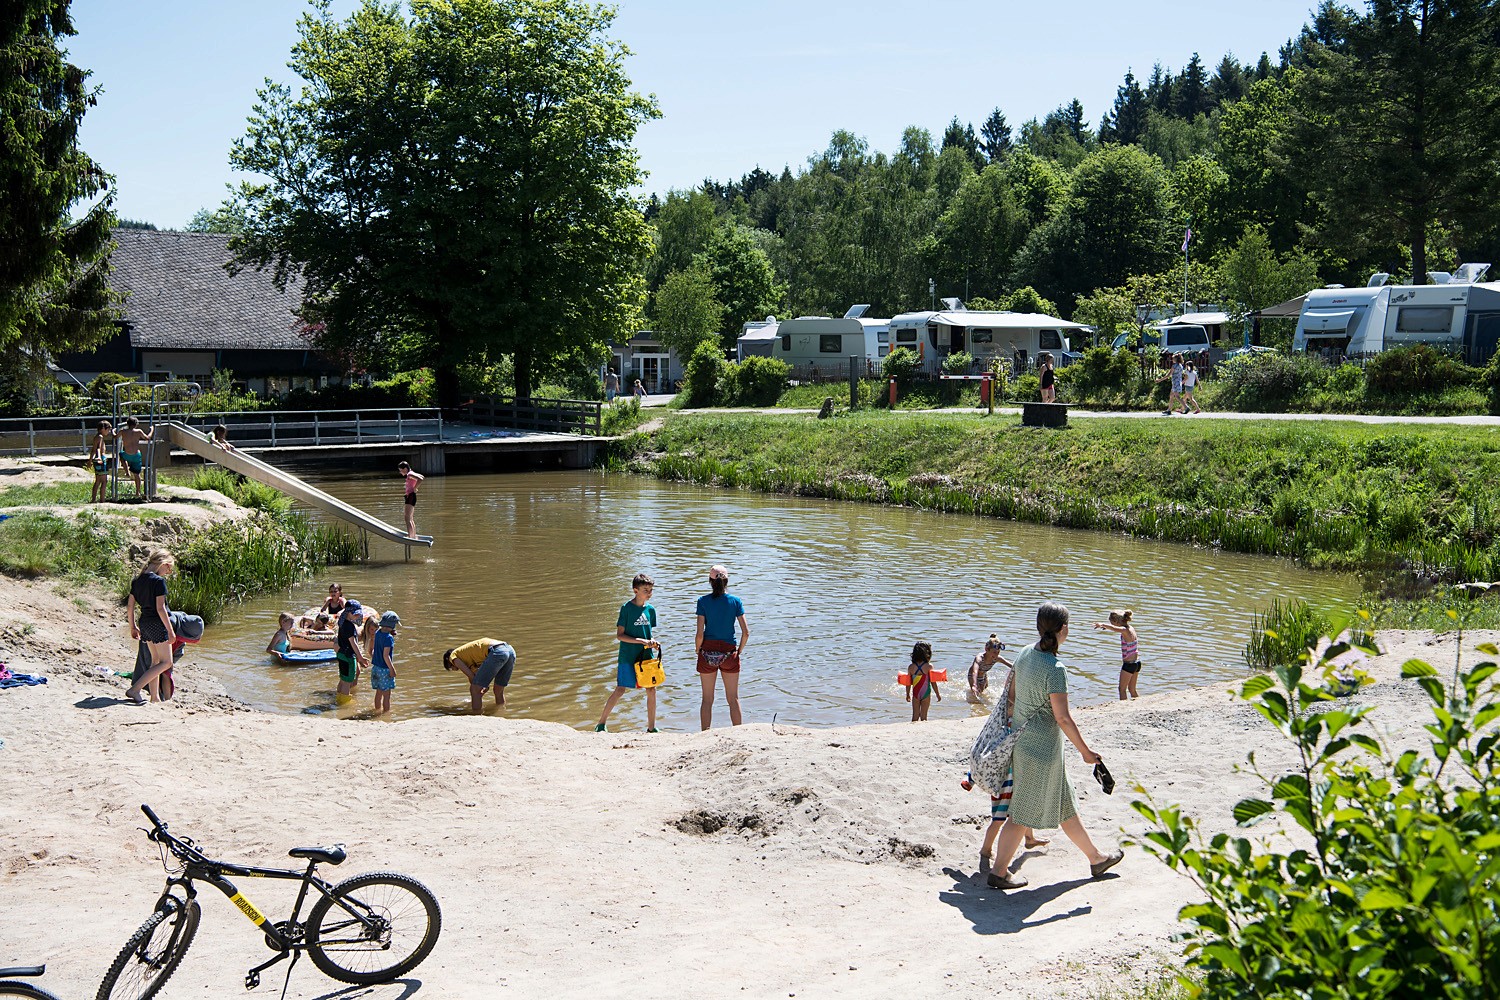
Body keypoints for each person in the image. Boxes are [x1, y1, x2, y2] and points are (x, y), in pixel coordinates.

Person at [986, 602, 1124, 890]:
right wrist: (1086, 752)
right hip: (1043, 750)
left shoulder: (1024, 653)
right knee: (1022, 813)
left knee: (1066, 805)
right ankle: (999, 872)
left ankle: (1096, 858)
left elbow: (1011, 695)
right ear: (1063, 629)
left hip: (1025, 742)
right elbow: (1062, 717)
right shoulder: (1055, 668)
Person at [595, 572, 659, 733]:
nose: (649, 593)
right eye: (646, 590)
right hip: (628, 656)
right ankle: (601, 724)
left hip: (646, 657)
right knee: (620, 689)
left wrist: (652, 642)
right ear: (635, 590)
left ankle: (651, 728)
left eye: (651, 590)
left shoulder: (650, 610)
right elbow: (620, 635)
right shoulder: (626, 608)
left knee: (651, 689)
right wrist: (641, 641)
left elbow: (647, 632)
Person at [694, 564, 749, 731]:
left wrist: (698, 650)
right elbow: (746, 632)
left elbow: (699, 634)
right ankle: (738, 733)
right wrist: (739, 651)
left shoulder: (702, 601)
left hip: (707, 652)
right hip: (729, 652)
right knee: (733, 699)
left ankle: (705, 734)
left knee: (707, 700)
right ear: (727, 581)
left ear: (710, 581)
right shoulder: (735, 601)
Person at [124, 550, 177, 704]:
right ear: (164, 564)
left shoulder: (137, 580)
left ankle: (155, 698)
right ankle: (135, 689)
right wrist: (170, 630)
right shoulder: (158, 582)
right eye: (169, 569)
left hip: (144, 623)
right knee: (166, 662)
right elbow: (160, 609)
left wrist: (132, 626)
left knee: (155, 661)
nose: (168, 573)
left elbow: (130, 606)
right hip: (157, 624)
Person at [444, 637, 516, 714]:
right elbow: (477, 677)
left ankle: (476, 716)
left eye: (451, 667)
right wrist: (481, 689)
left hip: (497, 651)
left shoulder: (453, 656)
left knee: (474, 689)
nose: (454, 669)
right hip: (510, 650)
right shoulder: (470, 658)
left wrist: (477, 692)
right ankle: (501, 713)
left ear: (448, 660)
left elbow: (472, 677)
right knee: (498, 690)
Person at [1094, 609, 1142, 700]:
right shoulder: (1130, 628)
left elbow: (1115, 629)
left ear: (1116, 621)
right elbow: (1115, 628)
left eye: (1111, 622)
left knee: (1122, 689)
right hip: (1137, 663)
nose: (1111, 624)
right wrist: (1108, 627)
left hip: (1129, 665)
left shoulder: (1124, 630)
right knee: (1132, 689)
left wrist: (1102, 624)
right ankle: (1139, 705)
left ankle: (1123, 708)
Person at [335, 600, 369, 701]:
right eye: (355, 614)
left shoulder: (342, 623)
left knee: (342, 679)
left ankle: (338, 698)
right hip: (348, 656)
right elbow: (353, 642)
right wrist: (360, 657)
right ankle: (344, 702)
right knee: (347, 681)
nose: (357, 616)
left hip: (341, 654)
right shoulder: (349, 626)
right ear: (348, 613)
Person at [966, 634, 1013, 704]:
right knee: (977, 696)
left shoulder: (997, 658)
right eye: (994, 652)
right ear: (986, 649)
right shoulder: (979, 658)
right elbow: (974, 672)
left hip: (984, 675)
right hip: (973, 676)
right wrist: (974, 685)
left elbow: (1012, 666)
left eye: (998, 652)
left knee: (983, 691)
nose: (996, 655)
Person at [371, 611, 400, 715]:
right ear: (392, 625)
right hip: (384, 669)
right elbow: (386, 655)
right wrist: (392, 669)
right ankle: (386, 714)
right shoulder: (389, 638)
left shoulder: (378, 633)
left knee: (378, 693)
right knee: (387, 696)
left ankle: (377, 711)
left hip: (376, 668)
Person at [904, 641, 940, 722]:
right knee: (924, 717)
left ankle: (913, 731)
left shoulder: (911, 667)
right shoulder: (929, 666)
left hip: (916, 694)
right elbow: (933, 682)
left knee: (915, 717)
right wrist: (937, 694)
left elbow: (908, 683)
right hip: (926, 694)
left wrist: (907, 694)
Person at [117, 416, 154, 495]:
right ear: (136, 424)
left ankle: (127, 471)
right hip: (136, 455)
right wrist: (152, 430)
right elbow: (147, 438)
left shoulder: (122, 431)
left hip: (127, 455)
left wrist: (113, 431)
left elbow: (114, 437)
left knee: (121, 455)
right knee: (137, 475)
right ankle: (138, 491)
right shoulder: (139, 431)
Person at [398, 461, 424, 538]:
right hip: (411, 496)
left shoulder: (409, 474)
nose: (400, 472)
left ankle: (410, 536)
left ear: (405, 468)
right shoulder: (411, 473)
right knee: (410, 518)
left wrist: (415, 488)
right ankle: (413, 535)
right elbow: (422, 477)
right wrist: (415, 488)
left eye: (401, 470)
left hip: (410, 496)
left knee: (407, 518)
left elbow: (420, 479)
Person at [89, 420, 114, 503]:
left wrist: (90, 460)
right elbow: (98, 448)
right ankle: (102, 500)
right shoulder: (100, 437)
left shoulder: (96, 437)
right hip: (101, 459)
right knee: (104, 481)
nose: (109, 431)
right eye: (108, 429)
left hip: (96, 459)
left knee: (98, 481)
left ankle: (93, 499)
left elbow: (93, 450)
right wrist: (100, 457)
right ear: (103, 429)